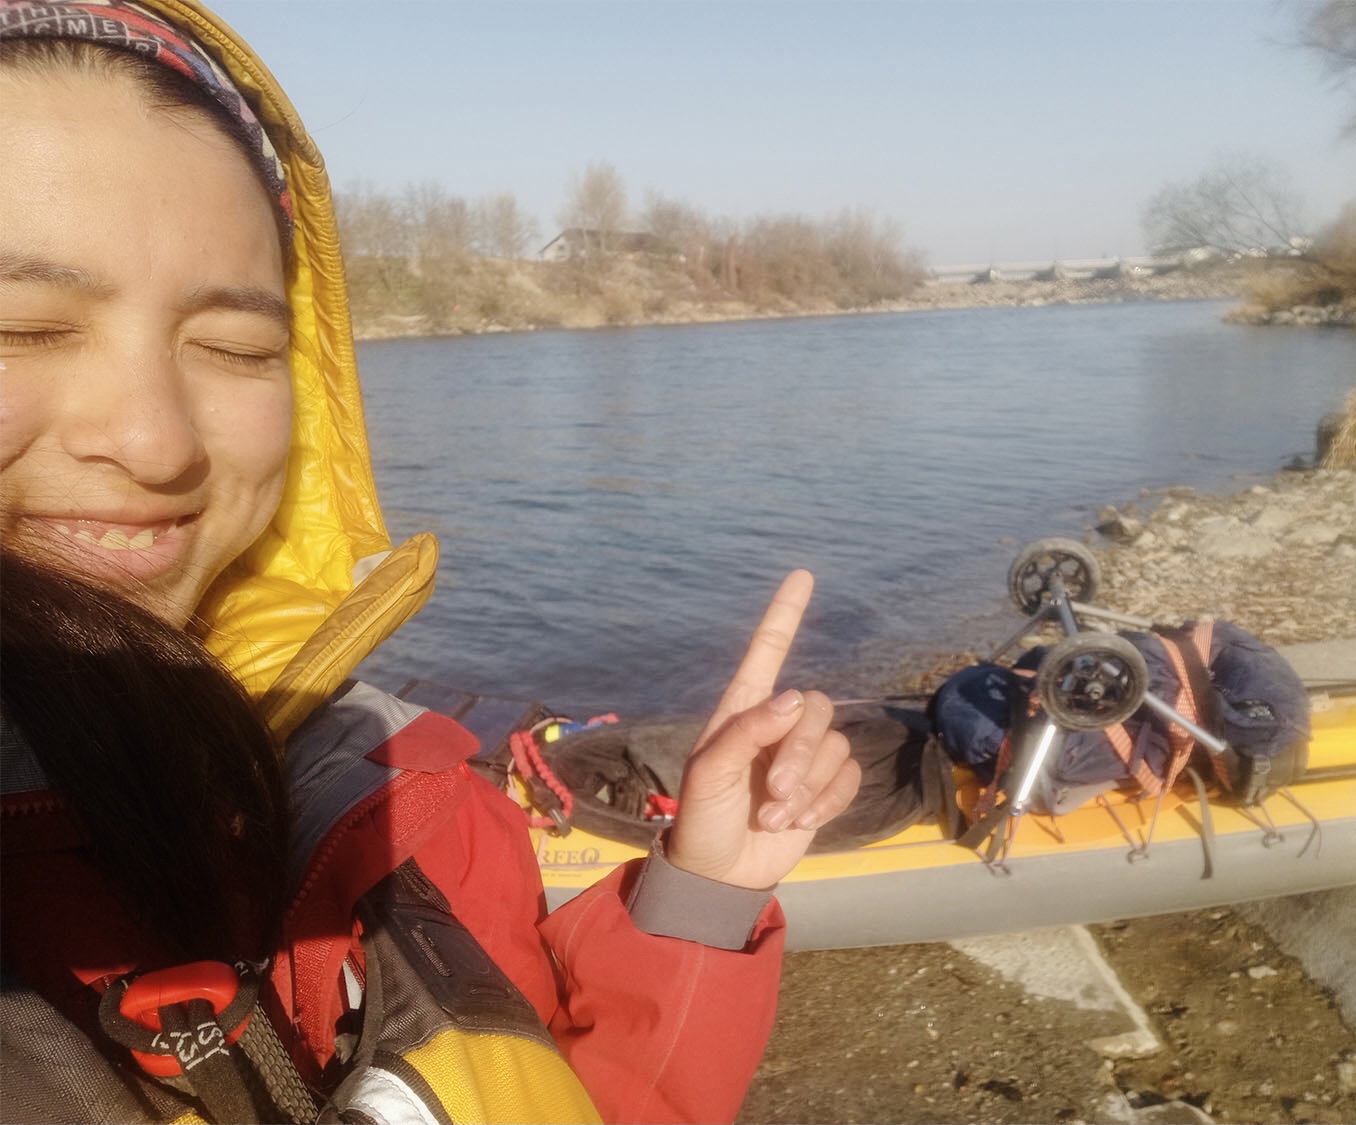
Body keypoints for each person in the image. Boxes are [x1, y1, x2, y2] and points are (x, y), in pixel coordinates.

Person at [0, 2, 860, 1122]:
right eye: (23, 329)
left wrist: (701, 894)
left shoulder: (407, 799)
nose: (158, 442)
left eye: (236, 348)